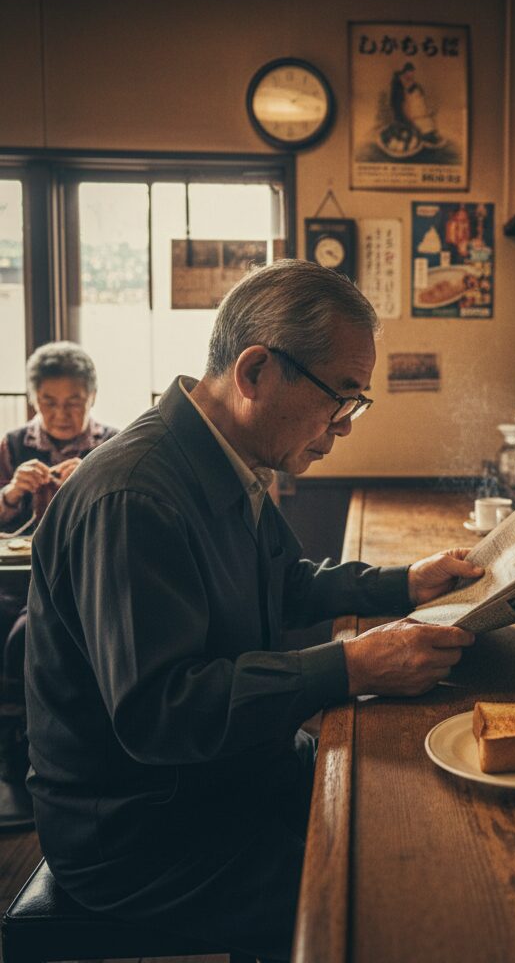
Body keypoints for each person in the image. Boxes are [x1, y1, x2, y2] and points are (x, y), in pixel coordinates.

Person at [25, 260, 479, 961]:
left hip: (217, 775)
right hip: (138, 829)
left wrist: (404, 584)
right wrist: (352, 663)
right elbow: (160, 711)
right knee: (388, 899)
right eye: (342, 396)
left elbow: (286, 581)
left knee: (410, 803)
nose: (345, 427)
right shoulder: (136, 496)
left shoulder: (220, 455)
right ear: (256, 371)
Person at [0, 341, 117, 830]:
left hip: (80, 583)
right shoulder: (13, 444)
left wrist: (89, 481)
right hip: (14, 580)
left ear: (91, 398)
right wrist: (10, 494)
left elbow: (120, 527)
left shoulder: (112, 443)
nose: (61, 413)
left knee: (30, 632)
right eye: (49, 402)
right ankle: (14, 745)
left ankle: (40, 750)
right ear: (34, 401)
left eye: (74, 402)